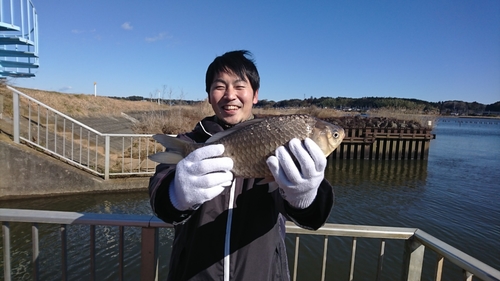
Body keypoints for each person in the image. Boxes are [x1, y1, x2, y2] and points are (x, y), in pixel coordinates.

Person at [149, 50, 334, 281]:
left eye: (239, 86)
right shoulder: (189, 143)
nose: (230, 95)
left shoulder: (282, 137)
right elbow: (160, 203)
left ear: (255, 95)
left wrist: (304, 196)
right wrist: (177, 194)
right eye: (219, 86)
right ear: (208, 95)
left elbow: (313, 219)